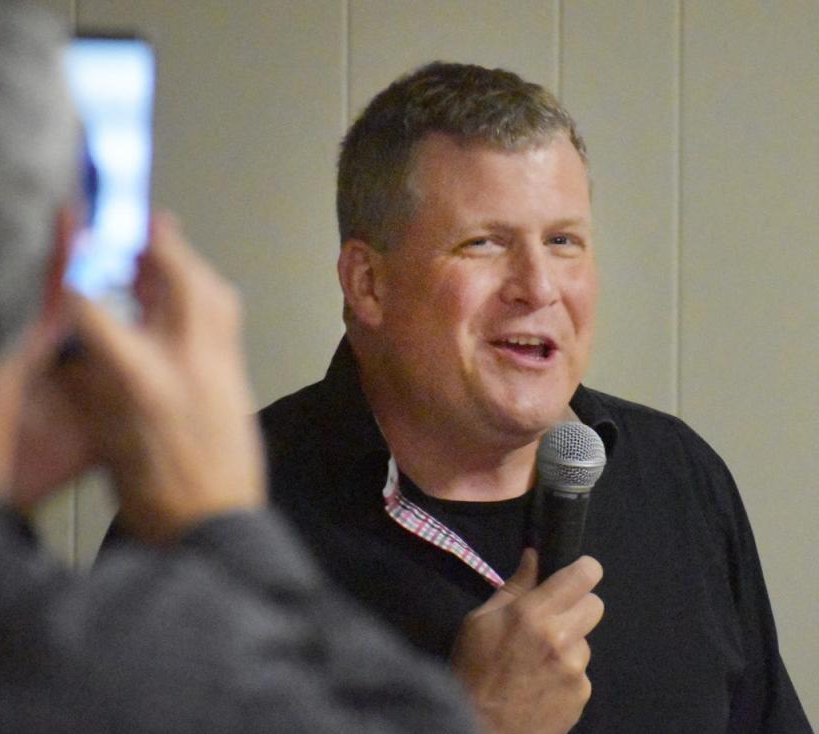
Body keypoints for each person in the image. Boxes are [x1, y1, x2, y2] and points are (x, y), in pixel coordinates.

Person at [0, 3, 482, 731]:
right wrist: (220, 521)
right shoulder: (90, 663)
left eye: (566, 240)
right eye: (482, 244)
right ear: (63, 263)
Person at [260, 62, 812, 732]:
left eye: (562, 242)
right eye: (485, 243)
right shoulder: (215, 520)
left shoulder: (679, 479)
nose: (538, 287)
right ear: (368, 283)